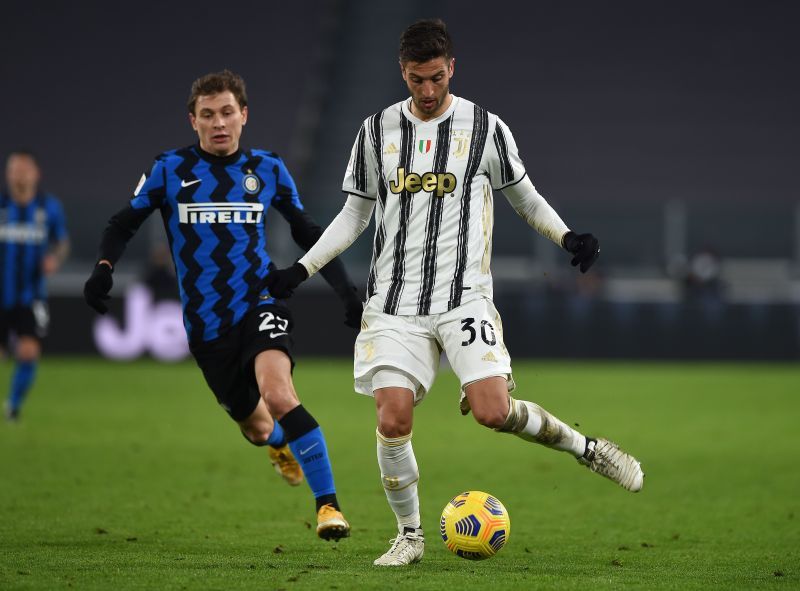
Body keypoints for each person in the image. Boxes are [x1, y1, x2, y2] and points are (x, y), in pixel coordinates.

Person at [266, 20, 644, 565]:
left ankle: (588, 449)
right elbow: (354, 215)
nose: (427, 91)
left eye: (437, 78)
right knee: (392, 418)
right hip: (394, 304)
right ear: (403, 71)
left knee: (493, 412)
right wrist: (301, 271)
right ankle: (410, 535)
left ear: (452, 69)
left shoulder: (486, 128)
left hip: (464, 297)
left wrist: (567, 236)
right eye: (417, 80)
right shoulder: (375, 132)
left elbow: (526, 199)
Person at [83, 70, 360, 541]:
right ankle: (277, 444)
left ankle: (328, 506)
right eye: (207, 115)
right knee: (256, 426)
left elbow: (308, 233)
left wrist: (346, 291)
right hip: (206, 325)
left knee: (279, 395)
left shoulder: (267, 168)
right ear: (192, 121)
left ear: (243, 115)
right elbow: (122, 222)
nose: (219, 123)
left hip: (259, 301)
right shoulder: (169, 169)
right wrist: (104, 266)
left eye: (227, 112)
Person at [1, 151, 69, 421]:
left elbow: (62, 243)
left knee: (28, 351)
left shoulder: (48, 207)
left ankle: (13, 407)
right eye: (14, 169)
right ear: (7, 174)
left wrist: (55, 258)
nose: (19, 174)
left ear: (36, 173)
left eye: (24, 169)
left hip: (32, 294)